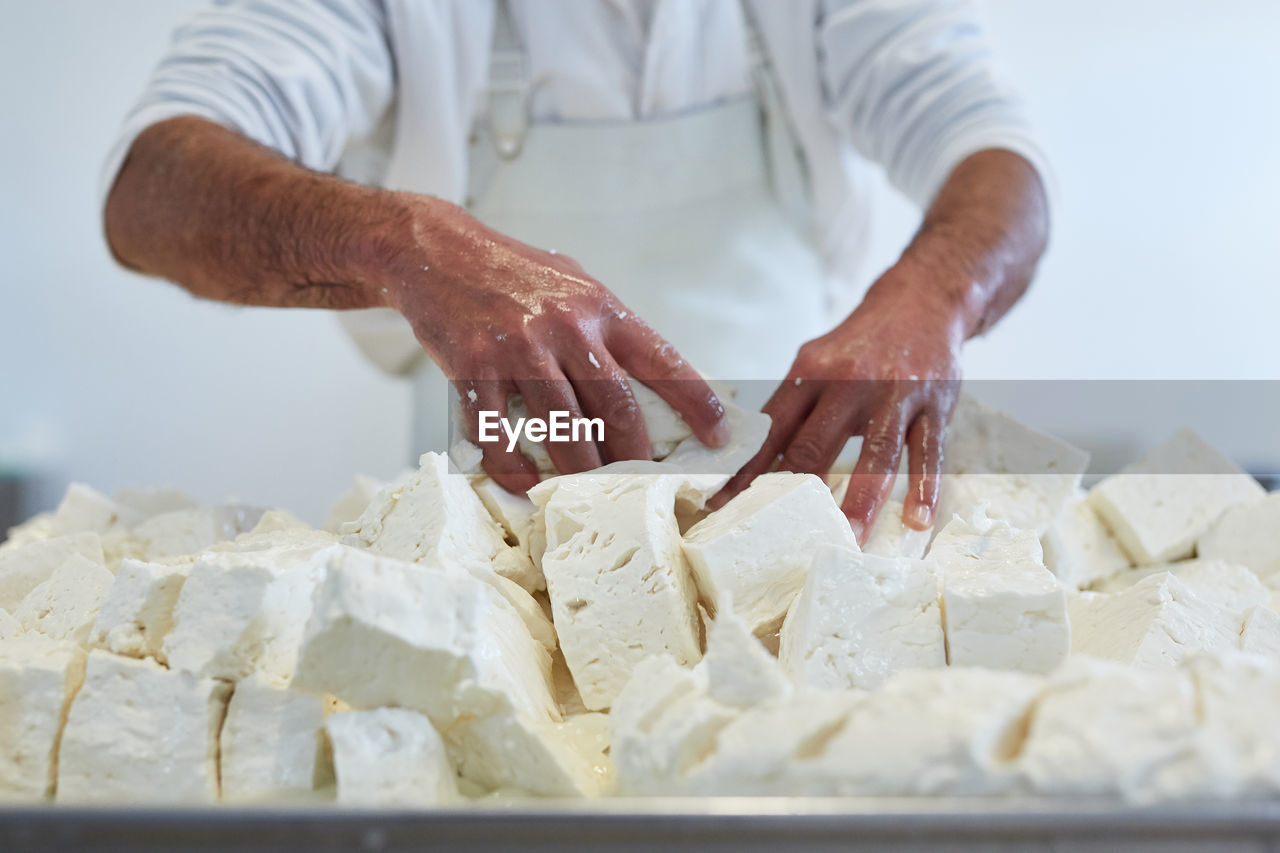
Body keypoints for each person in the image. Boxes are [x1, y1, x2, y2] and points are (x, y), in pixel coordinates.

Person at [101, 0, 1049, 544]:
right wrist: (398, 244)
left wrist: (936, 293)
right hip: (501, 517)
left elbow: (993, 147)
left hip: (782, 512)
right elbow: (151, 187)